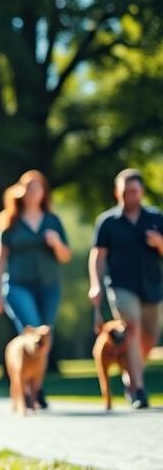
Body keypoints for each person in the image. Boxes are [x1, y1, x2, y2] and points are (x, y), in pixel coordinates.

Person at [0, 170, 71, 408]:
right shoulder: (9, 221)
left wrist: (56, 243)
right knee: (31, 331)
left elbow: (66, 256)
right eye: (29, 187)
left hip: (49, 286)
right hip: (17, 285)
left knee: (46, 335)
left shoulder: (52, 220)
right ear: (21, 191)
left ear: (44, 192)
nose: (33, 192)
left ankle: (37, 388)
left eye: (38, 187)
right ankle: (23, 388)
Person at [88, 168, 163, 409]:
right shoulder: (108, 222)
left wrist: (159, 243)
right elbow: (98, 256)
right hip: (121, 286)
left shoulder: (155, 218)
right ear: (117, 192)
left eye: (134, 191)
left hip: (152, 286)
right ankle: (138, 388)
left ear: (141, 192)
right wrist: (95, 284)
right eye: (125, 191)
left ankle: (130, 372)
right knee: (132, 328)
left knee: (149, 337)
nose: (130, 196)